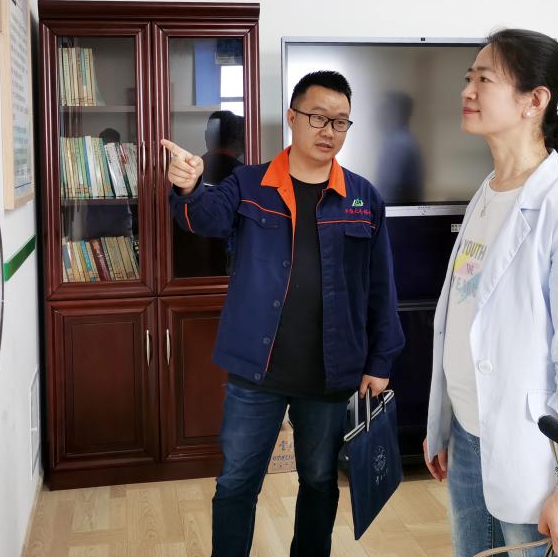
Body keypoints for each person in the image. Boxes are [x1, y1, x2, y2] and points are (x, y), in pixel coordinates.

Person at [163, 70, 405, 557]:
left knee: (318, 480)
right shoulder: (250, 183)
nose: (329, 130)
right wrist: (189, 188)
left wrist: (381, 360)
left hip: (330, 373)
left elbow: (380, 287)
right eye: (318, 117)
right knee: (237, 481)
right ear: (292, 118)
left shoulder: (363, 197)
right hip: (257, 370)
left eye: (340, 121)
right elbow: (205, 218)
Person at [424, 29, 558, 557]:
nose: (467, 90)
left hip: (536, 453)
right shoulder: (486, 195)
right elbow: (459, 317)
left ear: (535, 101)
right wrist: (441, 423)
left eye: (484, 80)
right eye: (469, 78)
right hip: (470, 436)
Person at [172, 111, 245, 278]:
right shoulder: (246, 176)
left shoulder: (188, 172)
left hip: (183, 268)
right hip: (232, 271)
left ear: (207, 137)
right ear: (243, 140)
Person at [375, 91, 425, 203]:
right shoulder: (403, 140)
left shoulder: (397, 144)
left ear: (394, 113)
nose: (377, 115)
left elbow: (388, 192)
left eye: (383, 109)